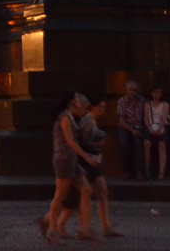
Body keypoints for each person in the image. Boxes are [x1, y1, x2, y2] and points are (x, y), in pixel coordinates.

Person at [38, 91, 97, 242]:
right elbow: (70, 141)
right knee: (60, 195)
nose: (80, 101)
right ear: (71, 102)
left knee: (86, 190)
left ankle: (86, 230)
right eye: (77, 98)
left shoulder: (70, 116)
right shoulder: (65, 117)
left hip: (72, 160)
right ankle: (52, 230)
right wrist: (86, 156)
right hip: (64, 160)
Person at [77, 99, 122, 238]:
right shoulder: (88, 121)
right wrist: (98, 143)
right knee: (83, 195)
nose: (104, 109)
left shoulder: (92, 121)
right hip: (87, 162)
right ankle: (83, 228)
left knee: (102, 192)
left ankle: (105, 227)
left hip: (93, 161)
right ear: (94, 107)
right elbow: (81, 142)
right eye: (102, 106)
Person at [115, 80, 145, 180]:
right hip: (126, 127)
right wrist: (133, 131)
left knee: (138, 144)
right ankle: (126, 171)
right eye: (130, 90)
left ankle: (139, 172)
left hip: (139, 126)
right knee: (124, 143)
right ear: (126, 90)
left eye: (134, 90)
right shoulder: (122, 102)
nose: (132, 92)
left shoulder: (142, 100)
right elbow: (122, 121)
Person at [144, 87, 170, 180]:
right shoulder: (147, 105)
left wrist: (160, 128)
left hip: (161, 127)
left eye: (158, 92)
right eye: (154, 92)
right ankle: (147, 170)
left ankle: (161, 172)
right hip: (150, 127)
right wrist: (150, 129)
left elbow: (164, 117)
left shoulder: (165, 105)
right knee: (146, 144)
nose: (156, 94)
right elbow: (146, 118)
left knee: (162, 145)